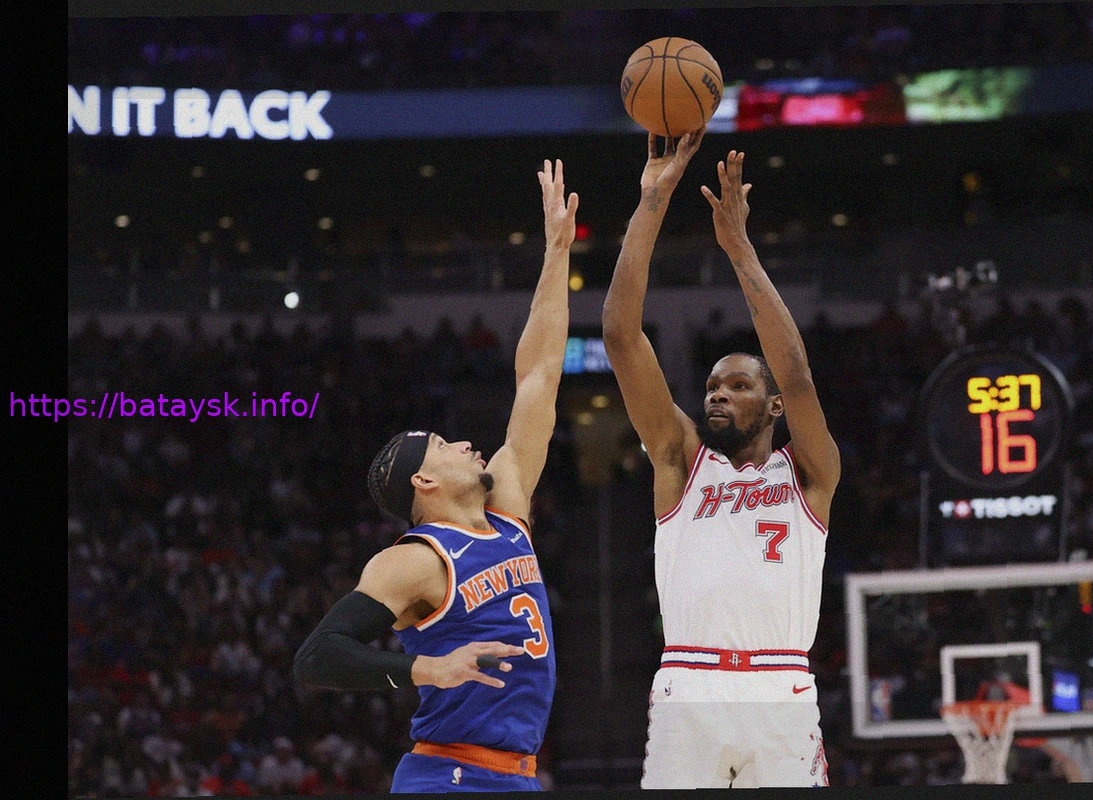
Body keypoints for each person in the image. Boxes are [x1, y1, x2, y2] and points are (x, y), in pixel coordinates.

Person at [294, 160, 578, 792]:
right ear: (422, 483)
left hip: (515, 773)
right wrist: (427, 669)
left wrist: (556, 252)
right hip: (448, 774)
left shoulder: (508, 510)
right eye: (445, 446)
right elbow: (317, 656)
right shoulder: (417, 560)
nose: (468, 444)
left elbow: (539, 373)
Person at [602, 130, 840, 789]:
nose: (718, 394)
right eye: (711, 386)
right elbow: (620, 335)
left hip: (782, 685)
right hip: (690, 683)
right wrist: (653, 199)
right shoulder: (680, 463)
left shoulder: (808, 474)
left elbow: (797, 375)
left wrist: (740, 249)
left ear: (773, 406)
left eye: (738, 385)